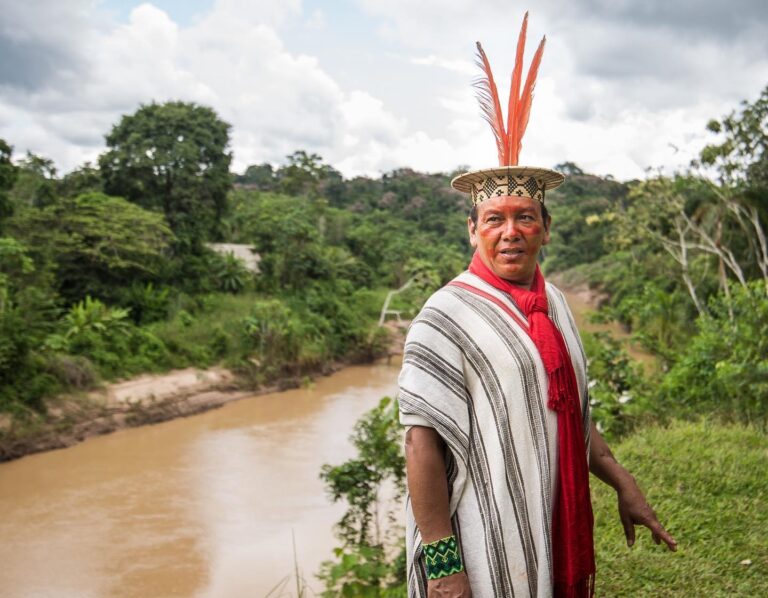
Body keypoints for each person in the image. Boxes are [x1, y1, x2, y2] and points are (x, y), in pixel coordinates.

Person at [398, 14, 676, 598]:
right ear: (472, 231)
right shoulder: (444, 315)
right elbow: (422, 444)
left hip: (554, 524)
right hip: (486, 540)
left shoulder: (551, 301)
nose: (510, 232)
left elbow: (570, 411)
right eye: (494, 220)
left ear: (546, 229)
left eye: (525, 217)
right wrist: (445, 566)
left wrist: (622, 480)